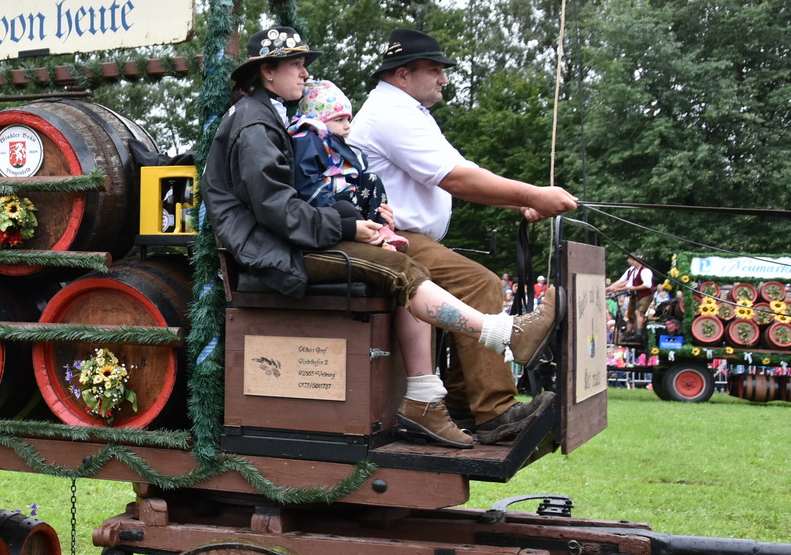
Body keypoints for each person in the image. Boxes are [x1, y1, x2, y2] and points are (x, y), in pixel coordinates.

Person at [203, 27, 559, 448]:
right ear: (267, 72)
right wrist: (349, 226)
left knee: (398, 258)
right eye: (296, 64)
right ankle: (502, 339)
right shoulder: (256, 123)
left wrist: (362, 217)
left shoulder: (268, 116)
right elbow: (276, 209)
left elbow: (302, 197)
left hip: (286, 243)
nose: (305, 73)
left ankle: (428, 399)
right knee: (398, 266)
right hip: (273, 254)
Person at [348, 28, 578, 443]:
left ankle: (460, 402)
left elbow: (457, 172)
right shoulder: (391, 114)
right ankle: (495, 413)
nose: (444, 78)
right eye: (435, 69)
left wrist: (518, 203)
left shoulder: (403, 111)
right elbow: (456, 179)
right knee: (479, 283)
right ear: (402, 74)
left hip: (407, 237)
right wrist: (535, 194)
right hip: (395, 238)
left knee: (472, 283)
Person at [288, 80, 409, 252]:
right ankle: (375, 239)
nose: (347, 126)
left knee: (371, 180)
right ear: (319, 120)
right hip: (326, 207)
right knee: (345, 206)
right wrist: (331, 204)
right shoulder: (308, 140)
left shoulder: (337, 144)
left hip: (344, 197)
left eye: (348, 119)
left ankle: (383, 228)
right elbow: (306, 182)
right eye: (338, 119)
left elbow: (355, 178)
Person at [606, 252, 653, 339]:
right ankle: (628, 333)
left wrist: (633, 288)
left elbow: (648, 285)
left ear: (636, 260)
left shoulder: (645, 271)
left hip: (645, 295)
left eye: (631, 259)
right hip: (635, 295)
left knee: (638, 312)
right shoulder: (633, 271)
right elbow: (628, 285)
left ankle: (639, 334)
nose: (628, 261)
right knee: (630, 314)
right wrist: (615, 289)